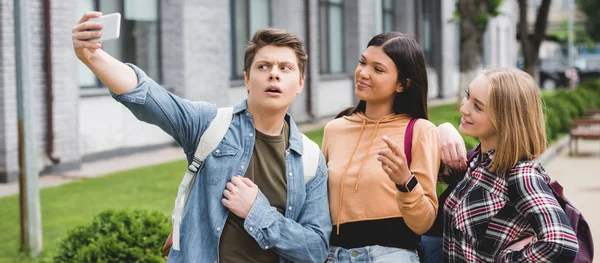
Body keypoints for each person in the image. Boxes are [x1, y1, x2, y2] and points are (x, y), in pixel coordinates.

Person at [72, 12, 331, 263]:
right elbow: (150, 96)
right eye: (263, 66)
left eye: (285, 68)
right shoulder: (209, 124)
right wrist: (93, 57)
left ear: (300, 83)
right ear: (247, 79)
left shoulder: (309, 160)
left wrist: (258, 212)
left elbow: (316, 248)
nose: (274, 74)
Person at [322, 32, 440, 263]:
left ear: (402, 84)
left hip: (390, 255)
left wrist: (405, 181)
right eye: (362, 62)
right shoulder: (334, 129)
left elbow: (424, 222)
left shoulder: (420, 131)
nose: (363, 73)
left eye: (378, 69)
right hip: (334, 255)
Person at [443, 68, 579, 262]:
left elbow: (561, 244)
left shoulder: (521, 176)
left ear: (505, 120)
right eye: (468, 96)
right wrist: (441, 130)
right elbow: (429, 174)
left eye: (478, 107)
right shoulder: (476, 161)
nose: (464, 108)